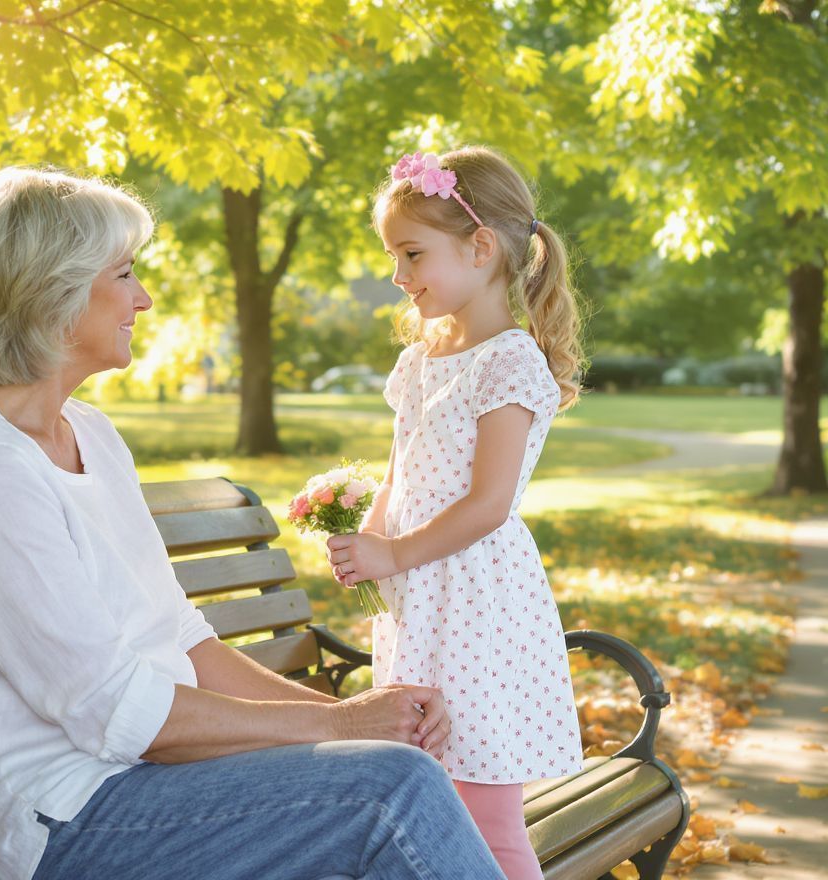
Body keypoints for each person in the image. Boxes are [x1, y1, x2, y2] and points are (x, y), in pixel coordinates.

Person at [0, 166, 505, 880]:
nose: (143, 299)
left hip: (148, 787)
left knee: (387, 775)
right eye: (124, 274)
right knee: (391, 795)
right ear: (49, 291)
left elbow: (182, 638)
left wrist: (356, 720)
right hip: (63, 821)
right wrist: (337, 727)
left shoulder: (88, 434)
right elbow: (115, 713)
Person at [325, 147, 586, 879]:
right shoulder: (419, 361)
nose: (399, 276)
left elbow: (488, 504)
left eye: (412, 254)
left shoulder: (509, 362)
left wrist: (397, 553)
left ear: (480, 247)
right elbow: (399, 472)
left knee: (489, 819)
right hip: (418, 603)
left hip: (475, 602)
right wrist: (370, 536)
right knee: (426, 795)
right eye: (392, 257)